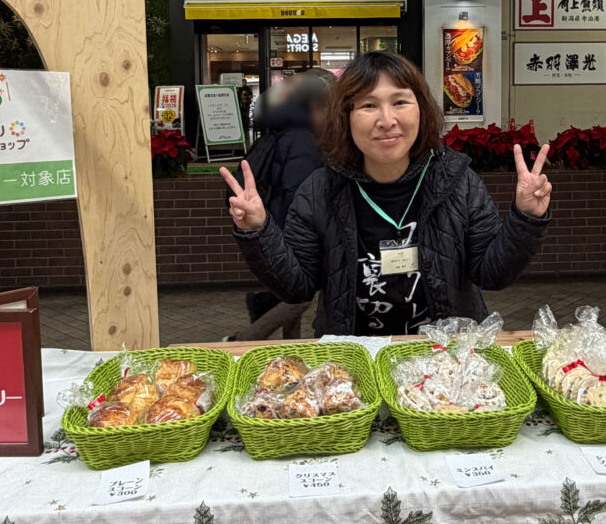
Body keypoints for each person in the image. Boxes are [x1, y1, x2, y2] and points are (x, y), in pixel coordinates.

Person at [220, 52, 552, 336]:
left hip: (448, 362)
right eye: (368, 105)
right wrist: (258, 232)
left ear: (420, 110)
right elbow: (297, 286)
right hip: (354, 363)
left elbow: (491, 273)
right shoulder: (320, 189)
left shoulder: (456, 180)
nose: (387, 120)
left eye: (400, 102)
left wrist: (525, 219)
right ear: (345, 116)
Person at [226, 68, 332, 340]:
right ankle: (245, 338)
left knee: (293, 291)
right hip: (290, 225)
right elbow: (297, 191)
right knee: (302, 294)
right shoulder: (302, 140)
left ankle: (291, 348)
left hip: (280, 220)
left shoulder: (287, 131)